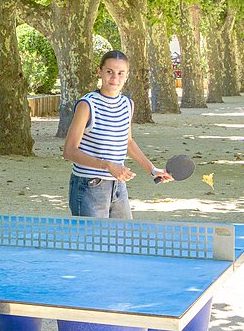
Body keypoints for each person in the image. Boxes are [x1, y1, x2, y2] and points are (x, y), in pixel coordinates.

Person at [63, 50, 173, 219]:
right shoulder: (87, 104)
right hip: (88, 185)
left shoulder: (127, 104)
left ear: (127, 75)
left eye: (121, 73)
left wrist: (153, 170)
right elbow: (69, 151)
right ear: (99, 71)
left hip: (118, 186)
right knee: (93, 244)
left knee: (123, 241)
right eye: (109, 72)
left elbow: (128, 142)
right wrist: (107, 165)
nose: (115, 78)